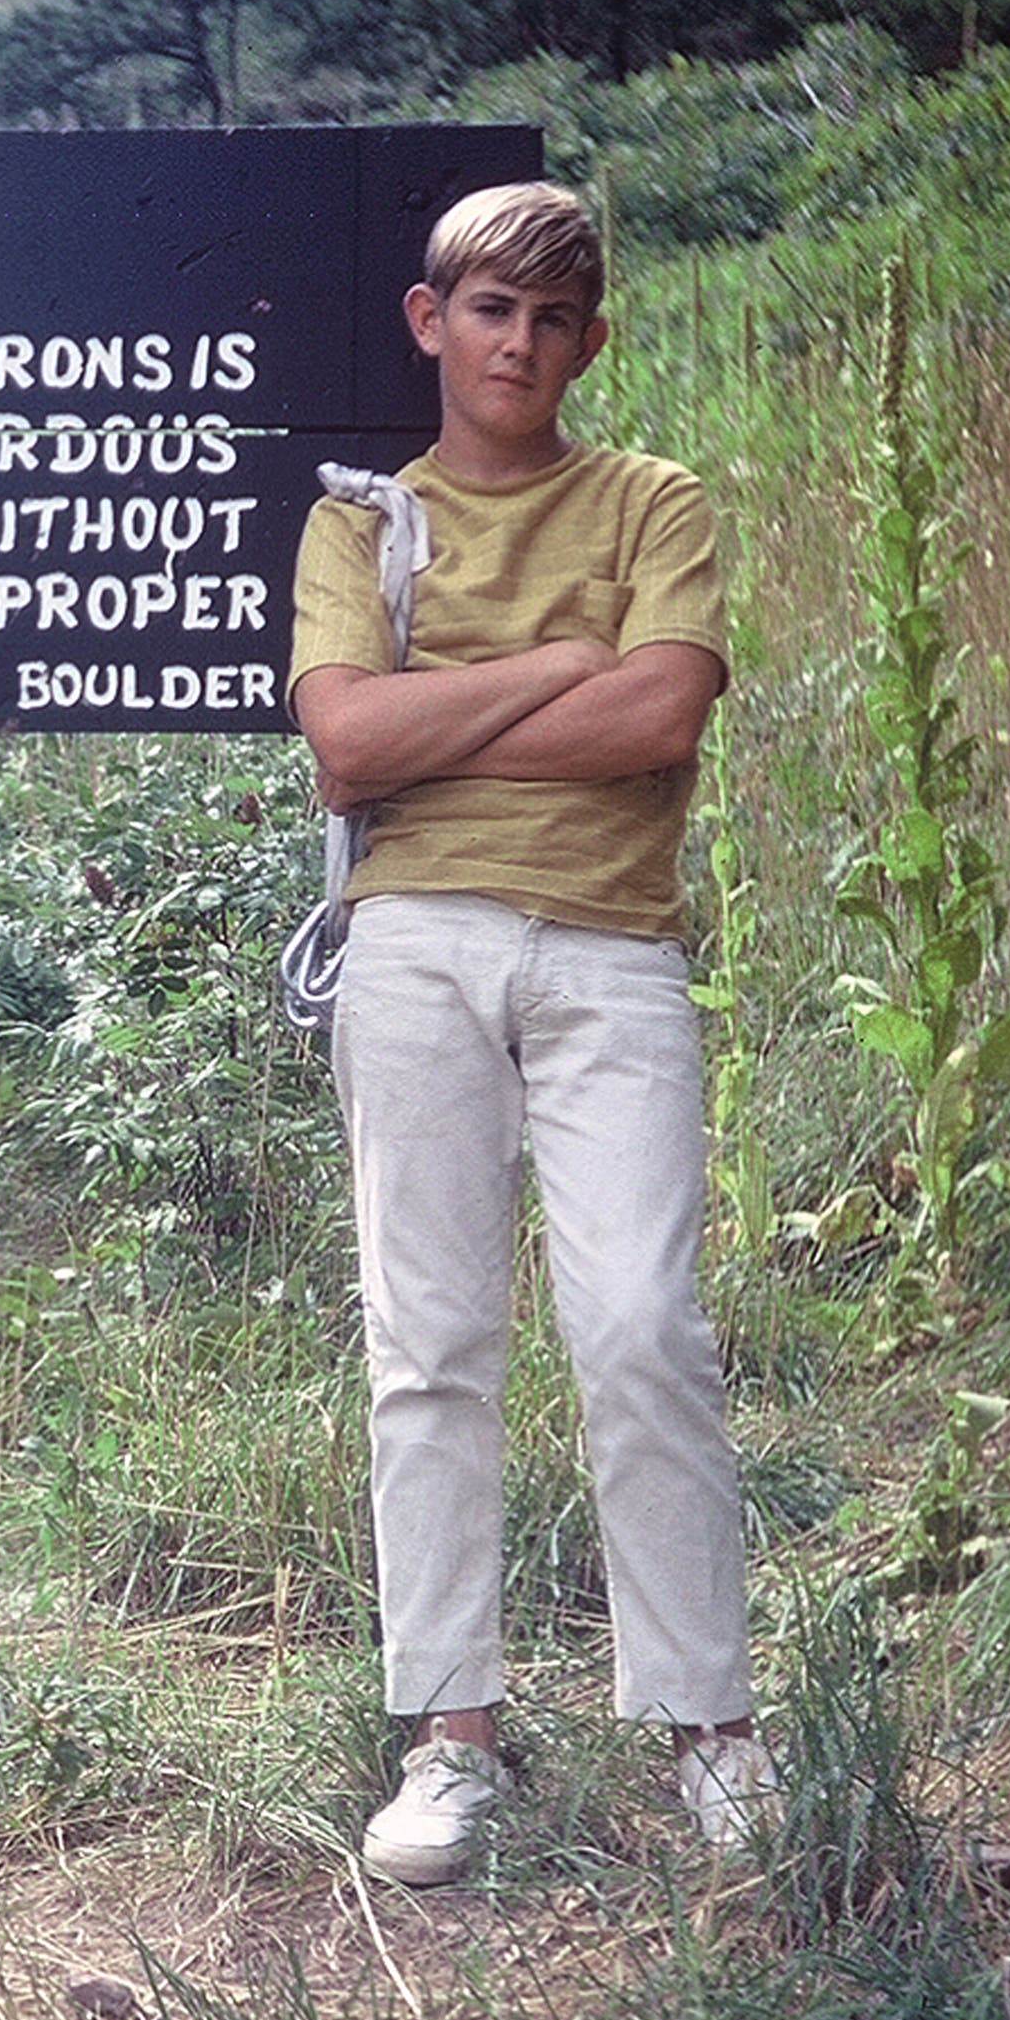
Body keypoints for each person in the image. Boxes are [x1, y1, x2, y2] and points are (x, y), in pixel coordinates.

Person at [286, 179, 774, 1887]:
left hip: (614, 951)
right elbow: (347, 747)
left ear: (592, 341)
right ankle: (449, 1738)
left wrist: (454, 716)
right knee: (428, 1344)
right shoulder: (363, 525)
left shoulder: (653, 498)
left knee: (641, 1321)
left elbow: (661, 711)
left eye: (557, 320)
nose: (524, 345)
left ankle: (711, 1727)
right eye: (494, 311)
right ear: (433, 321)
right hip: (411, 943)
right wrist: (560, 664)